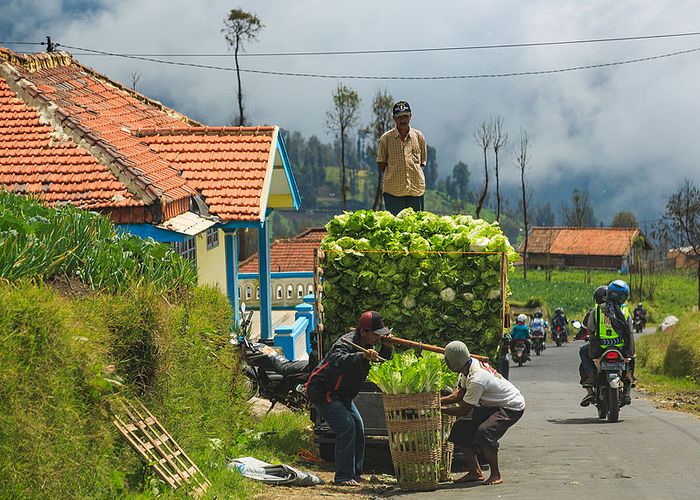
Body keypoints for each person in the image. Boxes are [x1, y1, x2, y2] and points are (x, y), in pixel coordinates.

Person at [306, 311, 393, 486]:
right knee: (346, 427)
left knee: (358, 428)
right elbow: (338, 360)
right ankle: (343, 476)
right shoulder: (345, 343)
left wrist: (387, 347)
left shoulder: (368, 343)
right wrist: (361, 356)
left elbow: (382, 361)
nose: (378, 338)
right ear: (363, 331)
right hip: (324, 391)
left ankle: (355, 473)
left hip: (343, 394)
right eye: (376, 335)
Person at [440, 341, 525, 486]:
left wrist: (439, 410)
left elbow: (463, 409)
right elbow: (460, 393)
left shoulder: (477, 378)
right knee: (460, 429)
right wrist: (438, 401)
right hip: (492, 404)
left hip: (511, 406)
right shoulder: (470, 365)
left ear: (454, 361)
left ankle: (496, 474)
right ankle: (475, 472)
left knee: (485, 432)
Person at [579, 280, 635, 407]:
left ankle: (591, 376)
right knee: (631, 360)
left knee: (583, 351)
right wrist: (629, 353)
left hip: (600, 349)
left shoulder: (597, 310)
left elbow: (591, 328)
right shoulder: (626, 311)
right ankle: (627, 386)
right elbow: (630, 333)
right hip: (620, 349)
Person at [376, 100, 428, 215]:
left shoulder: (419, 137)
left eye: (405, 116)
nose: (403, 120)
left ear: (410, 117)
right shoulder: (386, 139)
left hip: (415, 190)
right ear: (394, 118)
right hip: (393, 192)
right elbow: (381, 163)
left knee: (416, 227)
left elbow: (421, 162)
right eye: (399, 117)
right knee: (396, 228)